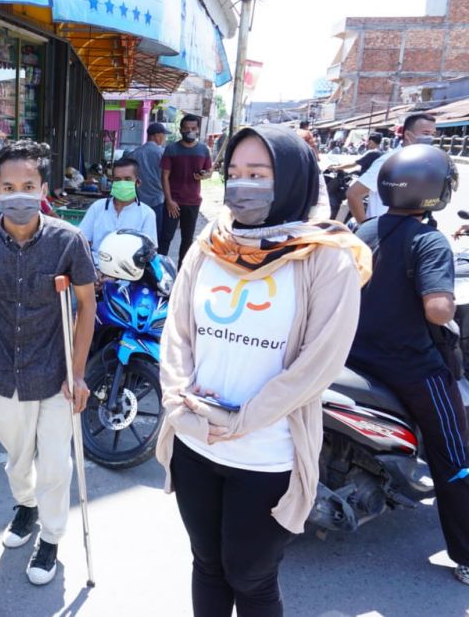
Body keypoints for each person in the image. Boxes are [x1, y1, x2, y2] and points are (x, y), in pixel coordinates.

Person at [156, 125, 371, 616]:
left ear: (292, 179)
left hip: (266, 454)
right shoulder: (211, 243)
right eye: (233, 173)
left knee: (250, 575)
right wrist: (177, 399)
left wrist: (242, 420)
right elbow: (177, 332)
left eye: (258, 173)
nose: (241, 185)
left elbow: (318, 363)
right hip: (194, 439)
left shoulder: (326, 259)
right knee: (206, 563)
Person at [0, 140, 97, 586]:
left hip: (53, 373)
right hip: (1, 371)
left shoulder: (67, 241)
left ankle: (52, 537)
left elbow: (86, 306)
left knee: (55, 463)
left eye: (28, 185)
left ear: (43, 189)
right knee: (17, 457)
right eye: (9, 186)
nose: (19, 194)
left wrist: (77, 373)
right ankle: (27, 506)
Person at [347, 145, 469, 587]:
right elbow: (438, 310)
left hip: (352, 355)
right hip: (410, 366)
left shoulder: (363, 231)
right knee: (455, 454)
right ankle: (466, 553)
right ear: (435, 191)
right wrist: (449, 299)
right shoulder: (430, 240)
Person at [346, 113, 437, 223]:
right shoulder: (389, 161)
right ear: (408, 135)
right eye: (426, 133)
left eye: (433, 134)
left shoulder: (423, 161)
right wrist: (365, 227)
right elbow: (353, 194)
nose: (431, 138)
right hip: (383, 234)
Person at [160, 114, 212, 267]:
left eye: (193, 128)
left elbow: (208, 171)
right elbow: (164, 176)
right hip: (173, 201)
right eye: (186, 128)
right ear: (181, 129)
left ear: (198, 130)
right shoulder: (172, 149)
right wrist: (169, 200)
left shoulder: (204, 149)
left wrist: (203, 175)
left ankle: (182, 271)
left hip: (193, 201)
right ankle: (159, 271)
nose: (190, 131)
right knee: (166, 237)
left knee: (187, 239)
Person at [78, 157, 157, 253]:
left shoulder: (147, 214)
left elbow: (149, 251)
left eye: (127, 179)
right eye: (118, 179)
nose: (122, 183)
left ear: (138, 183)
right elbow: (82, 241)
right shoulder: (97, 207)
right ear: (112, 182)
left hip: (130, 267)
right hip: (95, 264)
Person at [125, 122, 169, 236]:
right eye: (164, 136)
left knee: (136, 233)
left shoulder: (133, 154)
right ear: (157, 135)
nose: (164, 139)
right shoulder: (163, 154)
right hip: (157, 200)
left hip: (136, 200)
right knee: (154, 234)